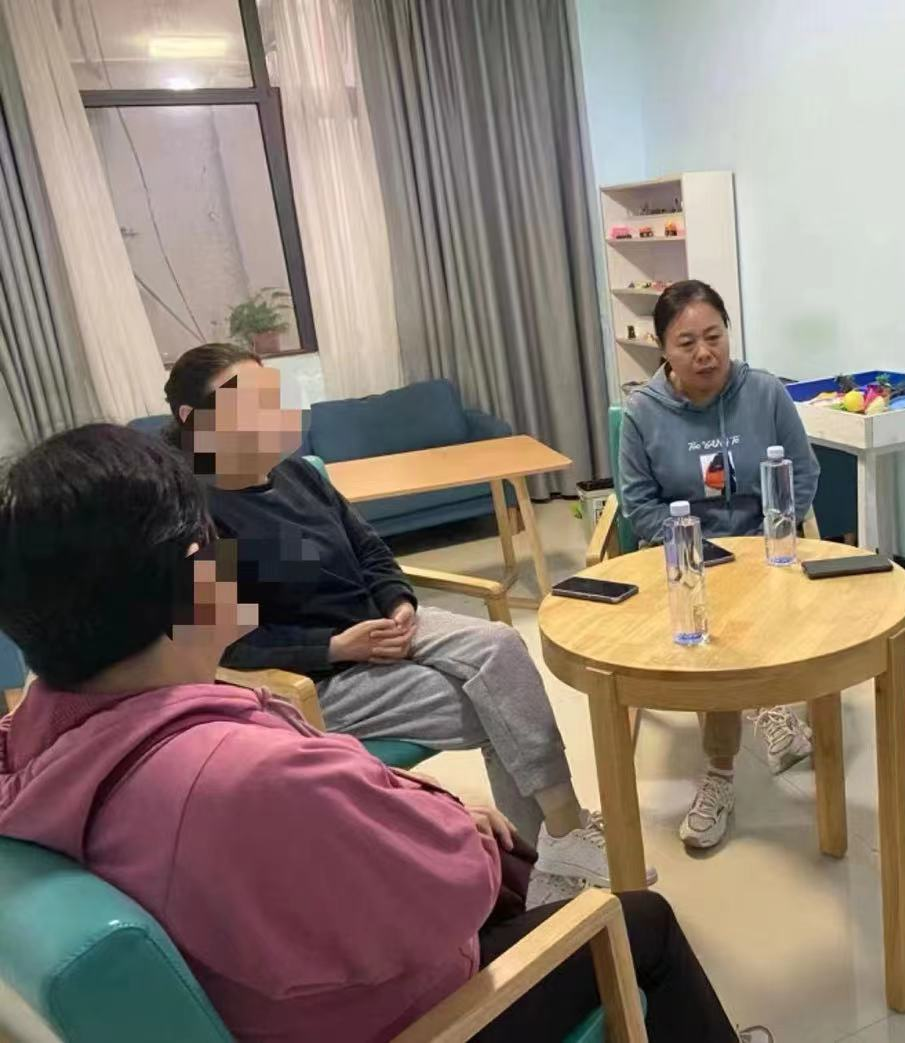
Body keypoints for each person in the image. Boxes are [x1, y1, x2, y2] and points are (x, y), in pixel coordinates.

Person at [0, 425, 764, 1042]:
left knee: (493, 670)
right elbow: (453, 891)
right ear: (189, 575)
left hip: (294, 992)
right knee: (640, 923)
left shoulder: (47, 740)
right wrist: (450, 821)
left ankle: (557, 830)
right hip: (415, 1014)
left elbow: (369, 554)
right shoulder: (243, 779)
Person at [162, 344, 653, 895]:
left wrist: (399, 602)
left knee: (502, 647)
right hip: (318, 678)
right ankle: (553, 850)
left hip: (382, 626)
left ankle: (558, 845)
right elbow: (226, 649)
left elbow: (371, 550)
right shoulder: (197, 518)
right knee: (495, 704)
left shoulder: (298, 475)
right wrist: (335, 647)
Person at [619, 280, 822, 850]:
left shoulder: (765, 393)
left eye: (715, 337)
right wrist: (703, 550)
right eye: (687, 343)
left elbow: (803, 472)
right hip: (689, 558)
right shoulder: (642, 413)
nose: (705, 353)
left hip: (765, 550)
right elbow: (638, 504)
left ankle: (756, 718)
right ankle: (725, 766)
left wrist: (773, 535)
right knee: (710, 629)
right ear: (663, 349)